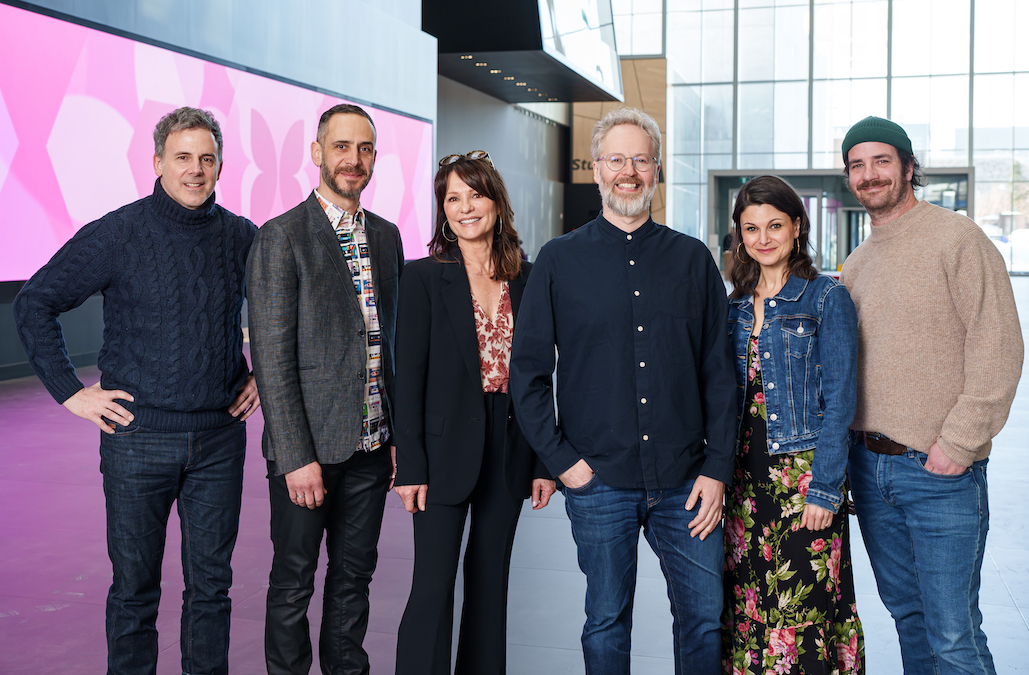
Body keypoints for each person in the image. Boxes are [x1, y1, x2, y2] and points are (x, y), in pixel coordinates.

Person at [13, 106, 258, 675]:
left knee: (212, 591)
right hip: (136, 438)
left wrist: (263, 378)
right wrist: (70, 393)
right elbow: (35, 302)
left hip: (219, 441)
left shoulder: (243, 237)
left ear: (220, 167)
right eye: (182, 157)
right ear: (157, 162)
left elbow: (285, 313)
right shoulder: (119, 233)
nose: (195, 169)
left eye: (207, 159)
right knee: (134, 591)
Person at [509, 107, 736, 674]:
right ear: (596, 169)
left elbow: (719, 372)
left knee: (705, 621)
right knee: (606, 623)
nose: (628, 172)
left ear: (656, 169)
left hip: (688, 483)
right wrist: (564, 463)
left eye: (640, 160)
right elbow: (527, 374)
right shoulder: (558, 260)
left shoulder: (694, 260)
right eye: (616, 159)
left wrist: (717, 469)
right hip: (598, 481)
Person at [840, 116, 1023, 675]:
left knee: (952, 633)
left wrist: (958, 445)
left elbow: (999, 348)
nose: (870, 174)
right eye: (857, 165)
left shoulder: (958, 239)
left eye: (881, 161)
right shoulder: (857, 263)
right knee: (908, 618)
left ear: (908, 167)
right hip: (870, 472)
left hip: (938, 472)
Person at [247, 103, 403, 675]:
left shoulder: (386, 237)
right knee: (294, 583)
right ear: (317, 153)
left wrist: (397, 438)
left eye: (364, 148)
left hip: (371, 448)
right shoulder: (282, 237)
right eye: (341, 146)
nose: (352, 159)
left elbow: (393, 348)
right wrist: (295, 457)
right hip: (307, 455)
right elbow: (272, 359)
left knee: (353, 581)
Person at [392, 151, 556, 675]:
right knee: (432, 585)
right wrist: (410, 466)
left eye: (475, 195)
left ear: (496, 203)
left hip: (510, 446)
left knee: (490, 583)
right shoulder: (422, 278)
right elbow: (406, 377)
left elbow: (540, 378)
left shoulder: (529, 279)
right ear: (443, 210)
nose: (465, 207)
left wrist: (543, 462)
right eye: (453, 198)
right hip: (441, 452)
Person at [722, 175, 864, 674]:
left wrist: (825, 490)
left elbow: (842, 401)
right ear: (740, 235)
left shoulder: (826, 298)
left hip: (802, 483)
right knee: (749, 607)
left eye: (775, 225)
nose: (763, 238)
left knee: (802, 610)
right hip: (743, 485)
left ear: (797, 227)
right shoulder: (735, 306)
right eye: (751, 228)